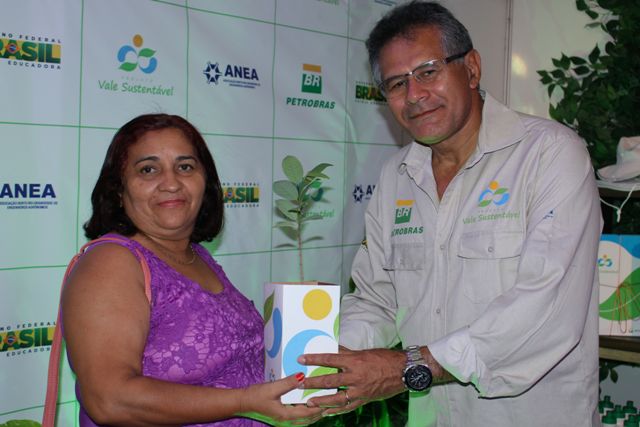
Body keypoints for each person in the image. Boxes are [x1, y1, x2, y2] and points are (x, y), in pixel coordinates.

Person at [299, 1, 603, 426]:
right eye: (396, 83)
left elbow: (545, 308)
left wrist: (408, 367)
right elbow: (377, 300)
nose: (414, 95)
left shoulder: (548, 155)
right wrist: (330, 363)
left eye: (428, 72)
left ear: (471, 68)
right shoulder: (396, 176)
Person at [61, 113, 323, 426]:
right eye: (148, 169)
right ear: (119, 190)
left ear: (205, 182)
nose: (171, 183)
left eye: (185, 167)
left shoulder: (197, 256)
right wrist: (244, 402)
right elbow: (110, 400)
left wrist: (314, 351)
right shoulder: (112, 262)